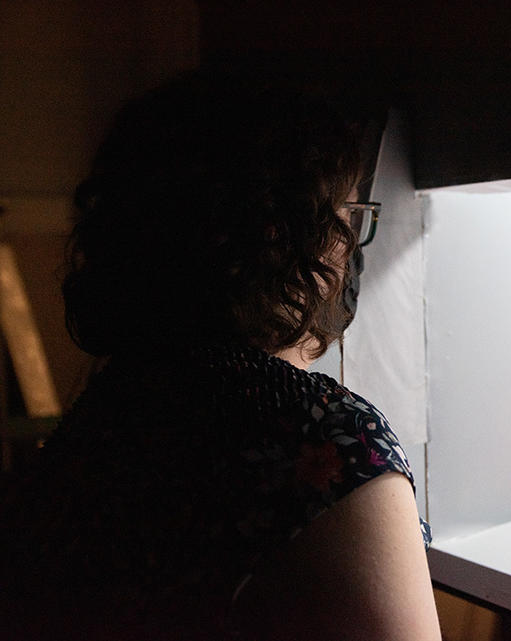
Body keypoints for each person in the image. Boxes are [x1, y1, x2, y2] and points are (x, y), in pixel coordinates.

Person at [0, 70, 441, 641]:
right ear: (288, 236)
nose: (353, 241)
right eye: (347, 212)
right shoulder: (330, 442)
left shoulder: (118, 398)